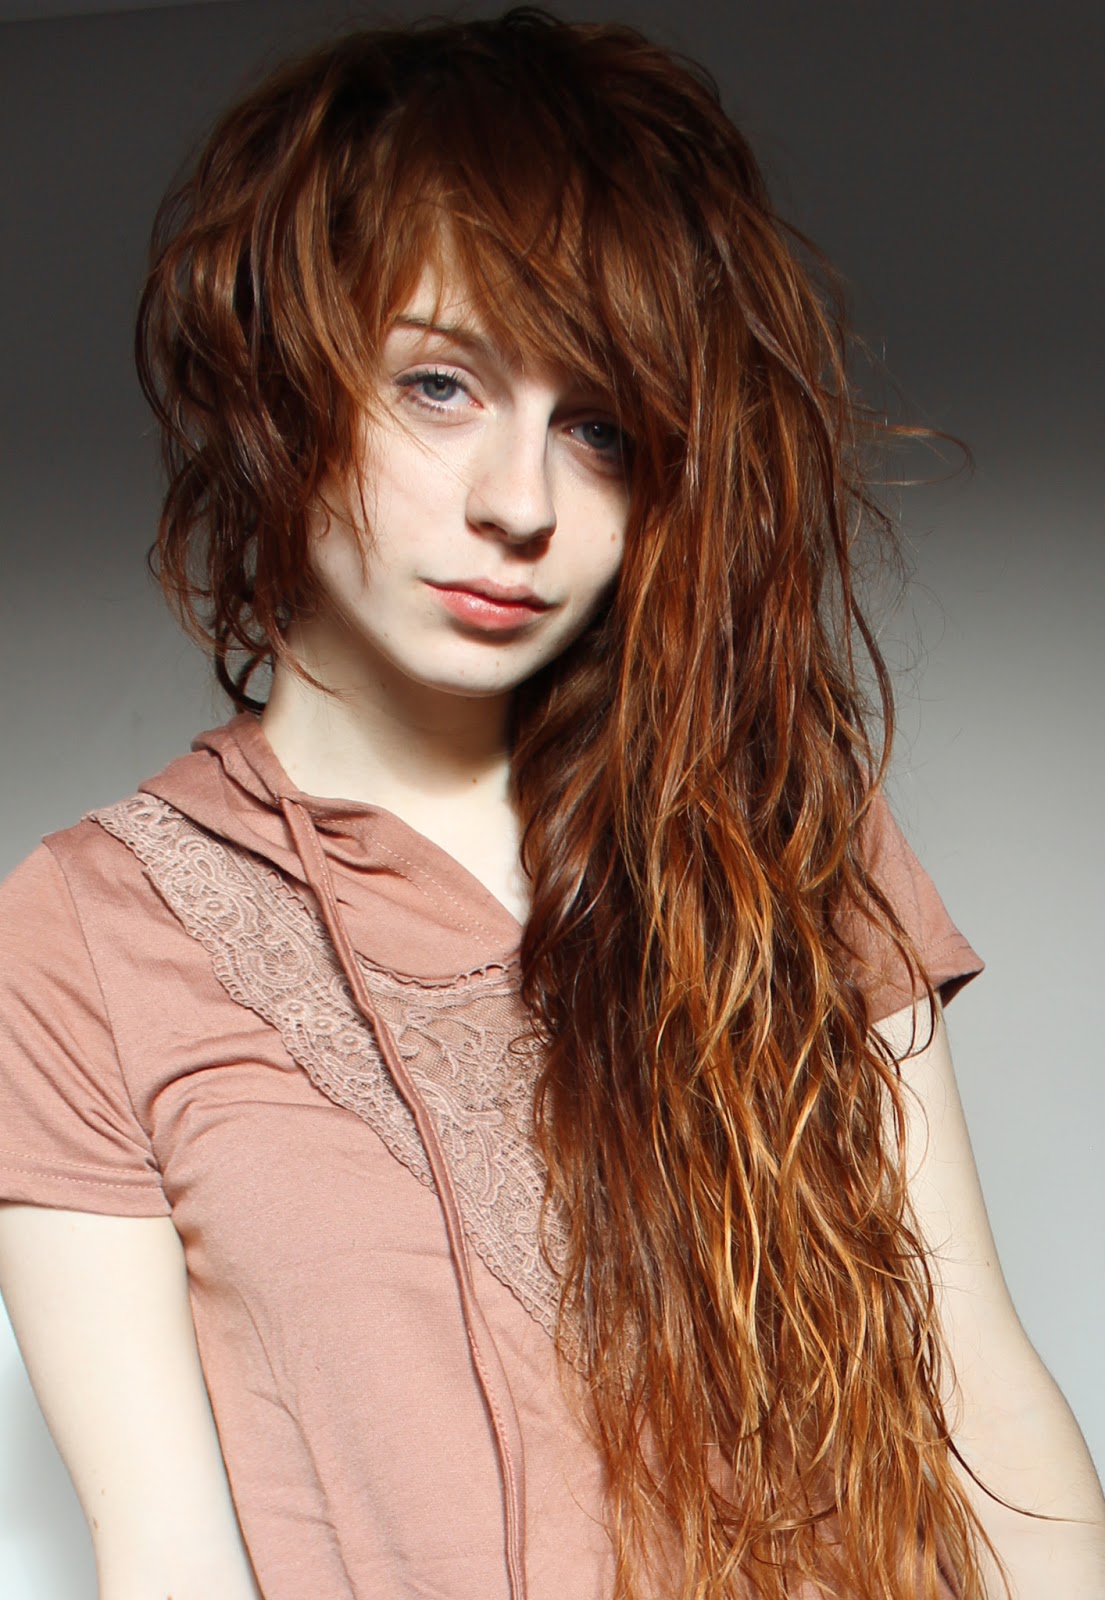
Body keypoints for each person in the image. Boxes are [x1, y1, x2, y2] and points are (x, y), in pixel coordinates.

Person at [0, 10, 1101, 1599]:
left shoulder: (780, 832)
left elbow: (974, 1392)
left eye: (596, 427)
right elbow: (164, 1556)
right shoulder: (86, 936)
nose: (518, 504)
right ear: (280, 385)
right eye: (438, 385)